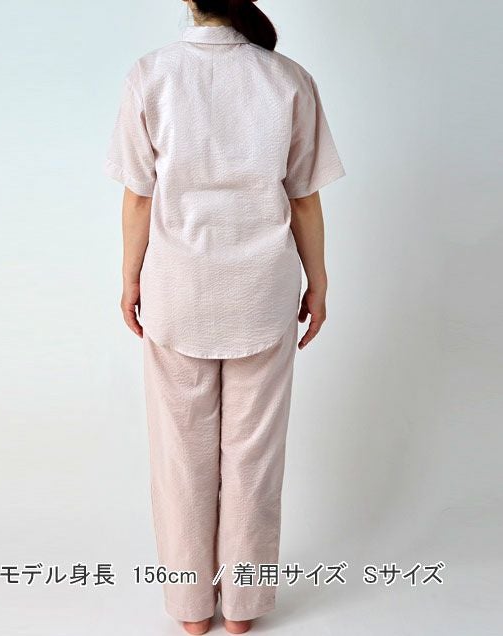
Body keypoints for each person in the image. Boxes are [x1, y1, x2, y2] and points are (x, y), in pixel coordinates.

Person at [104, 0, 345, 633]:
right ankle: (244, 607)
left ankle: (190, 609)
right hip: (262, 291)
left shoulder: (151, 74)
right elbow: (305, 199)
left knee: (180, 456)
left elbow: (138, 197)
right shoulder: (288, 78)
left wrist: (129, 278)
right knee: (253, 458)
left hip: (176, 289)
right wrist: (318, 283)